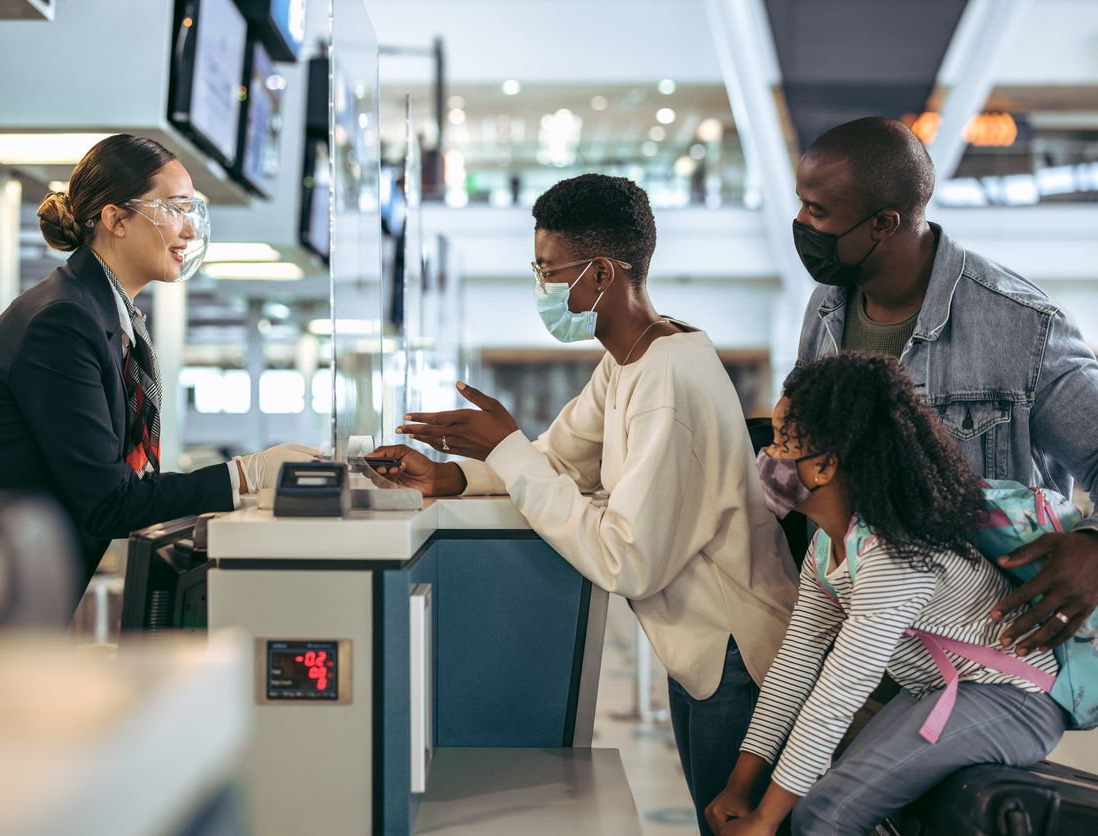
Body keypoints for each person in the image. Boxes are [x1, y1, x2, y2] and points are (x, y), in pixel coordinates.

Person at [370, 173, 799, 834]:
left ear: (600, 273)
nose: (540, 288)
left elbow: (627, 559)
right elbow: (558, 458)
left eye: (547, 271)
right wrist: (450, 478)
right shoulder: (631, 358)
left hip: (736, 656)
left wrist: (505, 446)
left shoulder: (666, 380)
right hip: (703, 652)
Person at [0, 134, 315, 611]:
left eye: (192, 212)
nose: (188, 232)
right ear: (115, 219)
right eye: (175, 209)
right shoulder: (62, 320)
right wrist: (243, 475)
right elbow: (111, 502)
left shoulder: (105, 316)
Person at [707, 353, 1068, 836]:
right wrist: (740, 784)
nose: (767, 456)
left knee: (824, 814)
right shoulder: (830, 544)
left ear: (826, 464)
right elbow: (798, 661)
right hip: (944, 690)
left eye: (780, 441)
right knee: (827, 799)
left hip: (1013, 699)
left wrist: (766, 819)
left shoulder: (897, 555)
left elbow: (838, 692)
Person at [791, 116, 1098, 658]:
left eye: (816, 211)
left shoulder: (1023, 326)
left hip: (978, 645)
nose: (800, 222)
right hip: (854, 637)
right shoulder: (827, 307)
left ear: (883, 222)